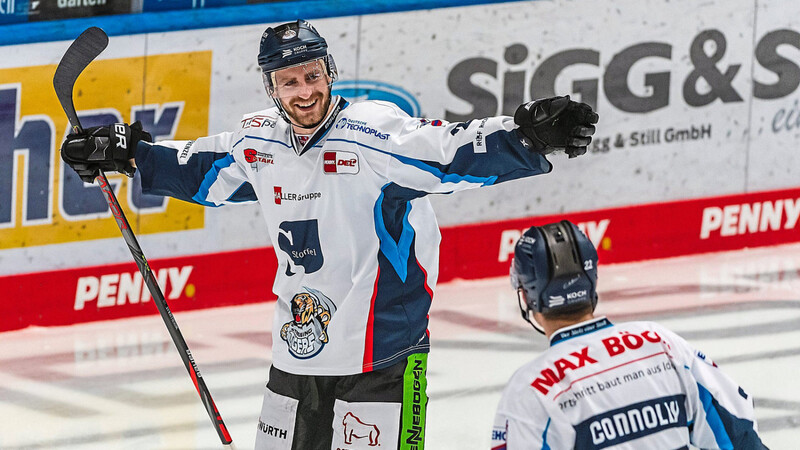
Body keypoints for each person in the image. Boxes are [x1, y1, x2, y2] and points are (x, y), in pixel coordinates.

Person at [59, 20, 598, 450]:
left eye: (312, 76)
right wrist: (126, 153)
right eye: (289, 81)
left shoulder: (376, 132)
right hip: (297, 356)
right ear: (270, 87)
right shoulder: (260, 142)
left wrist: (528, 135)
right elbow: (200, 169)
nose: (304, 91)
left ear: (329, 73)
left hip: (383, 355)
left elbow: (452, 151)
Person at [492, 220, 768, 449]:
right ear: (592, 281)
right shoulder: (662, 343)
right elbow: (739, 430)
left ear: (527, 297)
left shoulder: (529, 390)